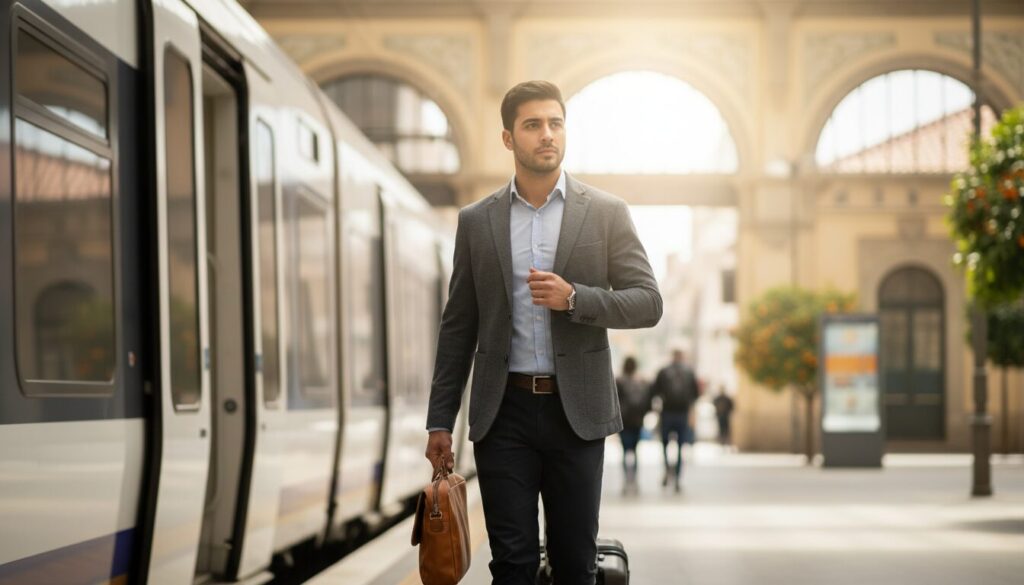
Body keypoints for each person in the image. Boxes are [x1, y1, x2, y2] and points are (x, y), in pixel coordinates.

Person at [424, 80, 662, 585]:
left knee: (575, 563)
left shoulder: (604, 212)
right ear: (509, 138)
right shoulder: (477, 221)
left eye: (555, 123)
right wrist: (439, 420)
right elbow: (458, 325)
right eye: (532, 125)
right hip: (502, 412)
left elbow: (648, 302)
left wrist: (576, 298)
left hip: (575, 414)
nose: (546, 134)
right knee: (511, 564)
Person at [650, 349, 700, 493]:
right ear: (682, 356)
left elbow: (654, 392)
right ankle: (677, 477)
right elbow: (695, 394)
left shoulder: (664, 371)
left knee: (665, 444)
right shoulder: (689, 372)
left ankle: (667, 470)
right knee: (680, 447)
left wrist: (655, 409)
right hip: (682, 413)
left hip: (667, 413)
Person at [615, 356, 649, 495]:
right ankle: (634, 480)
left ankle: (625, 481)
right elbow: (647, 403)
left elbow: (614, 402)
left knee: (624, 452)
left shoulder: (618, 381)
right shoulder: (641, 383)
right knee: (635, 452)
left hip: (623, 421)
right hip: (637, 421)